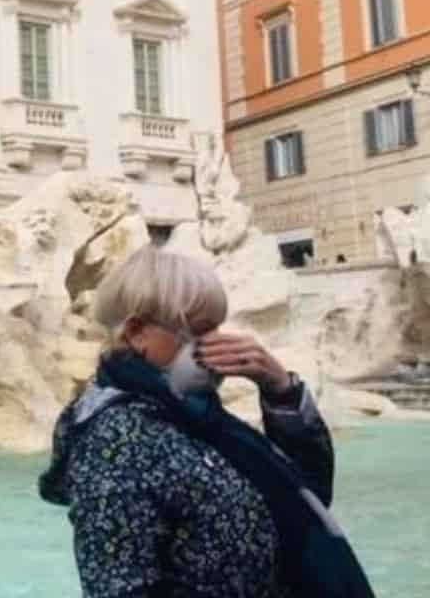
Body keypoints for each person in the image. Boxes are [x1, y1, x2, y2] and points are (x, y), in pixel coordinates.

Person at [39, 246, 373, 598]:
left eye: (217, 328)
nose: (214, 343)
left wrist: (279, 389)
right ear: (137, 332)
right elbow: (120, 587)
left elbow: (311, 494)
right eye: (199, 330)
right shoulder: (112, 442)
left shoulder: (197, 417)